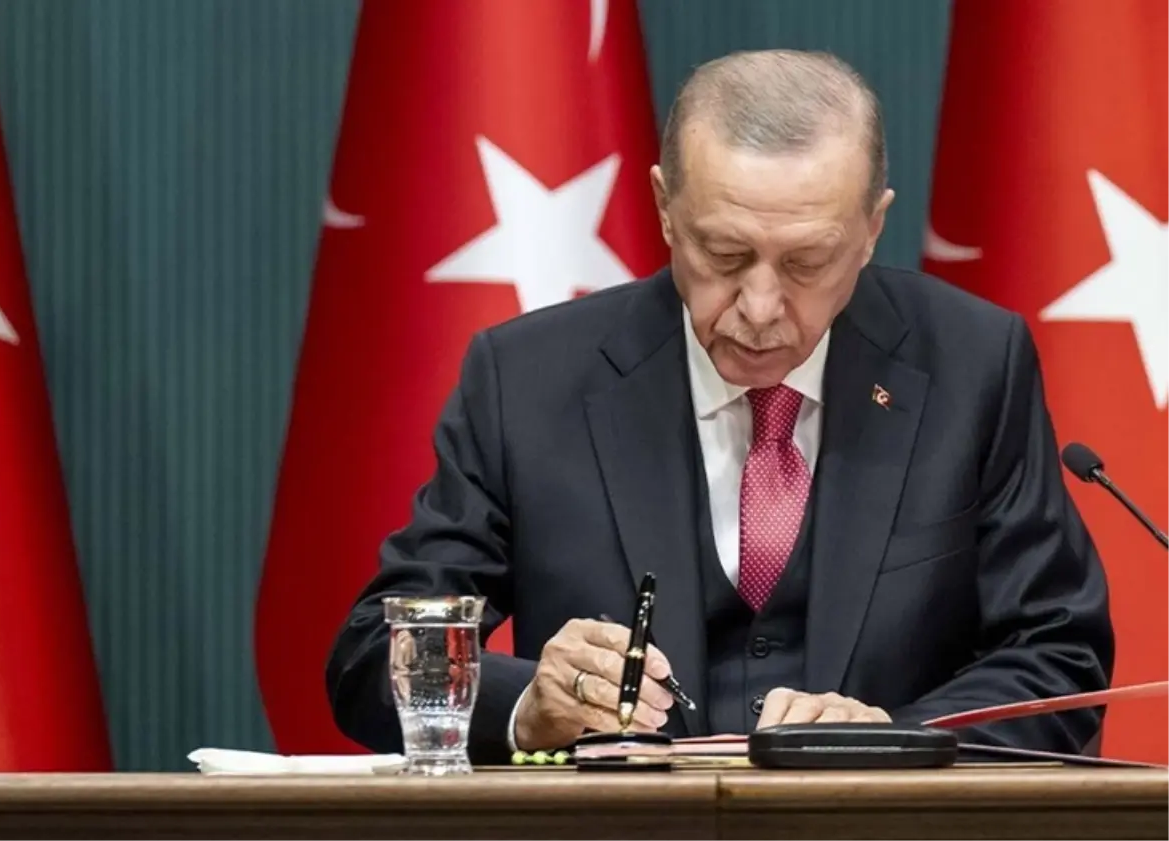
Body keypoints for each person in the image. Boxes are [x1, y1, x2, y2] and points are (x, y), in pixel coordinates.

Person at [326, 49, 1114, 765]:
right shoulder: (527, 381)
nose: (760, 307)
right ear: (666, 208)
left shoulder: (972, 365)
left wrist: (895, 736)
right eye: (724, 254)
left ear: (872, 228)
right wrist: (528, 705)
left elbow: (1059, 652)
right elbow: (374, 655)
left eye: (807, 261)